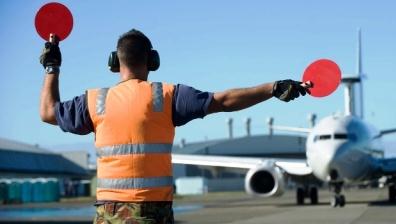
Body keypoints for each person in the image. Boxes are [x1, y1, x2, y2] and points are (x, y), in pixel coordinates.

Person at [39, 29, 312, 224]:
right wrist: (273, 88)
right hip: (154, 213)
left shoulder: (94, 101)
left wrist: (52, 67)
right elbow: (225, 101)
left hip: (109, 214)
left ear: (114, 63)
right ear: (152, 60)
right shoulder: (167, 96)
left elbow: (48, 112)